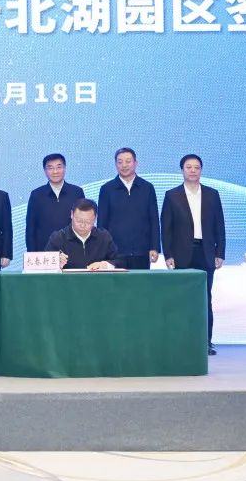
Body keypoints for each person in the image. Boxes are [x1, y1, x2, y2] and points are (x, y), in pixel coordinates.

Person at [162, 154, 226, 356]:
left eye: (196, 167)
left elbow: (219, 225)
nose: (192, 170)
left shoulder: (212, 194)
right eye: (188, 167)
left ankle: (205, 342)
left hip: (206, 252)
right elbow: (166, 228)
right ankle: (182, 341)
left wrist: (220, 252)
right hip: (181, 254)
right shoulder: (172, 195)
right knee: (182, 300)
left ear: (201, 170)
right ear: (182, 170)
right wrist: (168, 254)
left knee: (205, 299)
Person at [96, 147, 161, 269]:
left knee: (141, 281)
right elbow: (102, 223)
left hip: (141, 251)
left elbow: (154, 220)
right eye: (120, 162)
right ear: (115, 164)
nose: (124, 165)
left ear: (136, 163)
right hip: (115, 252)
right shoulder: (107, 189)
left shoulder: (147, 188)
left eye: (128, 161)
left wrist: (155, 247)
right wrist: (102, 249)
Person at [25, 153, 84, 254]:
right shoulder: (36, 195)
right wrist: (32, 253)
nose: (55, 171)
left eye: (59, 167)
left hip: (73, 250)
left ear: (65, 168)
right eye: (50, 168)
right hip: (44, 251)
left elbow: (84, 222)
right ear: (45, 171)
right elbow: (31, 227)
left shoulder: (77, 192)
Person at [44, 199, 123, 270]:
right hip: (68, 281)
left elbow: (119, 261)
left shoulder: (104, 237)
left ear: (95, 218)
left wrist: (106, 265)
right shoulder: (58, 238)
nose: (82, 225)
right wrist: (56, 264)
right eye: (79, 221)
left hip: (97, 281)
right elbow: (44, 265)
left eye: (88, 222)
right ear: (71, 215)